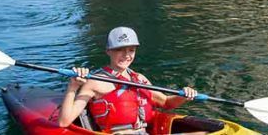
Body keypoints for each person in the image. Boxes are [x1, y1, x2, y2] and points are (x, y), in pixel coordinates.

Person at [58, 27, 198, 133]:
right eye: (120, 50)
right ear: (108, 51)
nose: (126, 55)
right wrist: (73, 86)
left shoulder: (139, 79)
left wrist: (184, 96)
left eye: (131, 50)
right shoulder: (95, 82)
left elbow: (166, 102)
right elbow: (64, 122)